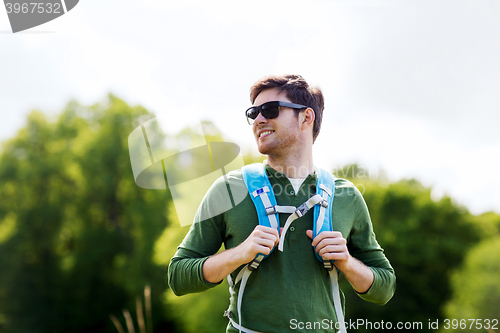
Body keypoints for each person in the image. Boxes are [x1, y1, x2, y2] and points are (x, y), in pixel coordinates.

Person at [168, 74, 395, 332]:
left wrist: (347, 262)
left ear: (306, 118)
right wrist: (239, 254)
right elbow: (178, 276)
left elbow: (384, 288)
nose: (259, 120)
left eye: (271, 110)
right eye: (254, 113)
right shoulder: (229, 189)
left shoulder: (347, 197)